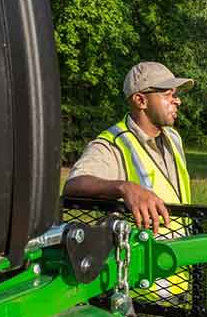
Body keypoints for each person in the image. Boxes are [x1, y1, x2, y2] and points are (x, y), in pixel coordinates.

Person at [64, 61, 194, 302]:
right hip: (140, 293)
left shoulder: (173, 138)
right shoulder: (112, 144)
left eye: (175, 95)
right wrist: (124, 187)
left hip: (179, 276)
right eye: (168, 95)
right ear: (140, 101)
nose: (177, 101)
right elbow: (73, 186)